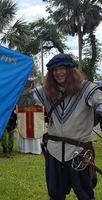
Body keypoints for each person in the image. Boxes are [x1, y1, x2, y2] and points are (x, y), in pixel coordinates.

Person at [34, 53, 102, 200]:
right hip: (54, 151)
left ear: (71, 70)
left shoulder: (87, 89)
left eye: (62, 68)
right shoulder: (46, 91)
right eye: (55, 69)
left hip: (79, 152)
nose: (58, 72)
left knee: (85, 195)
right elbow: (25, 98)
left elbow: (100, 102)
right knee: (55, 194)